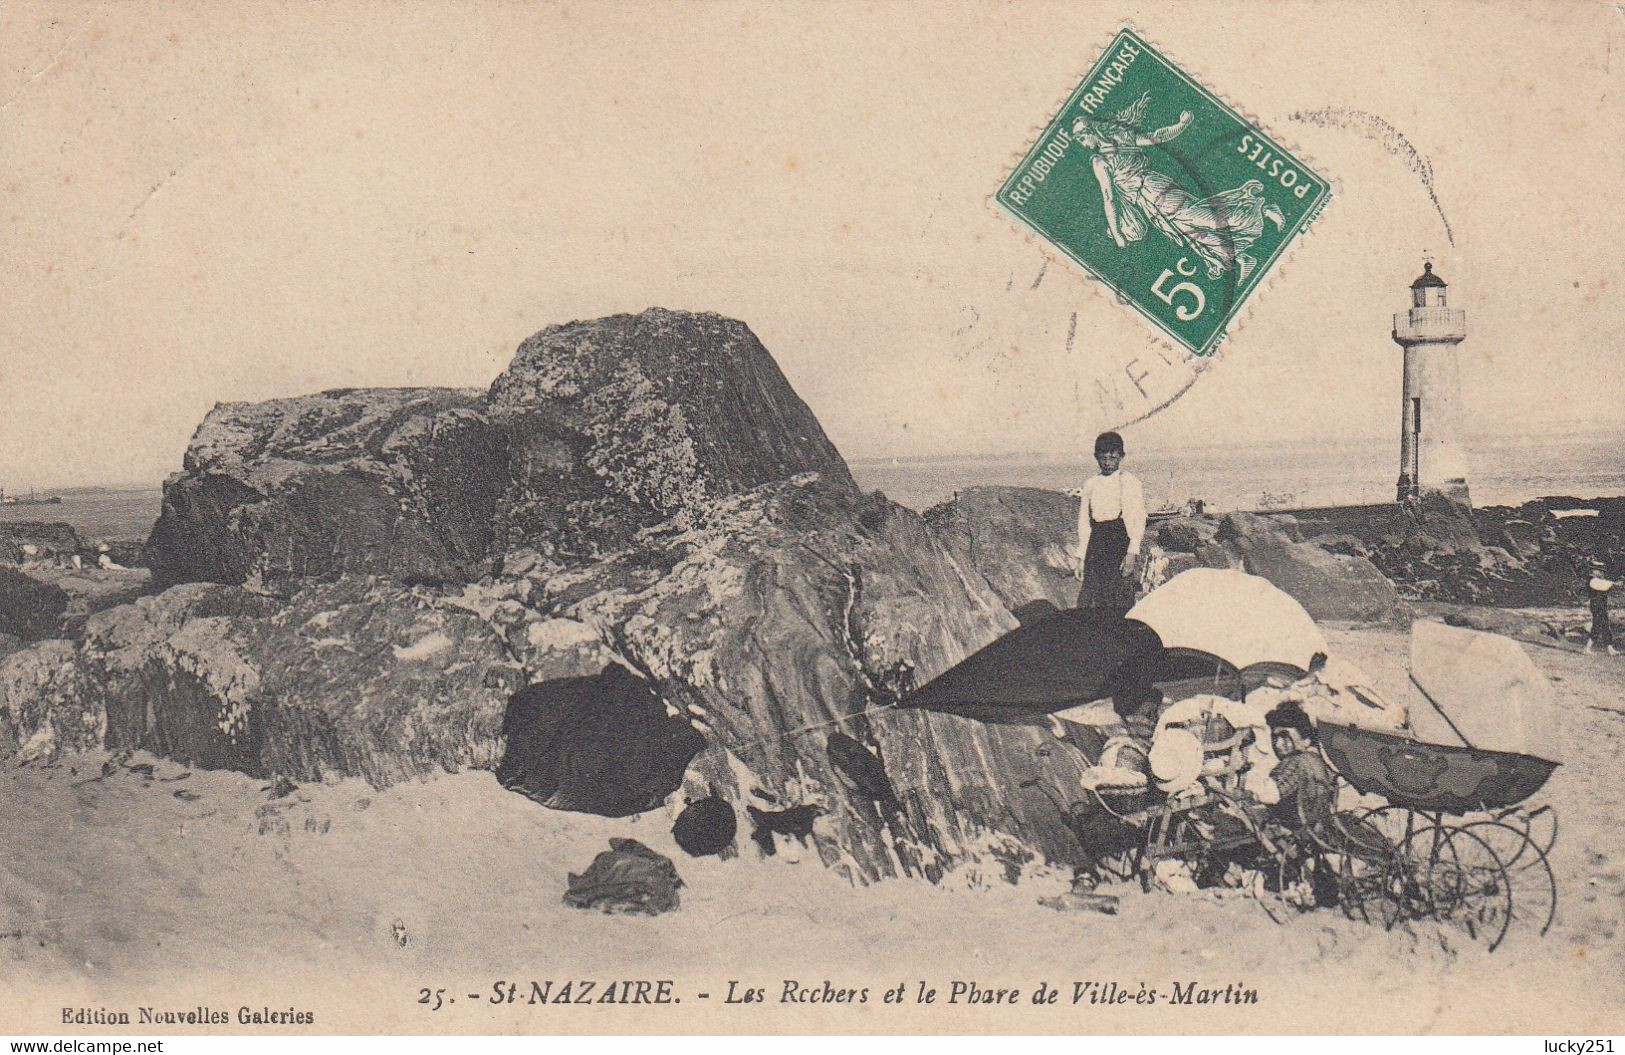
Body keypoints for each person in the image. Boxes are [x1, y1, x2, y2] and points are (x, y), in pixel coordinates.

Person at [1071, 92, 1285, 281]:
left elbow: (1109, 198)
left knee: (1204, 219)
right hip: (1150, 199)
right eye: (1077, 138)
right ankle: (1242, 258)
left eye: (1082, 135)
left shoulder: (1102, 159)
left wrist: (1117, 233)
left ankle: (1263, 209)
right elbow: (1155, 138)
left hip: (1153, 191)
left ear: (1093, 130)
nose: (1081, 141)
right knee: (1192, 232)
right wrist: (1181, 125)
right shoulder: (1116, 141)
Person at [1074, 431, 1147, 615]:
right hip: (1096, 543)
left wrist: (1132, 553)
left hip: (1119, 542)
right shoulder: (1090, 484)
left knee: (1119, 598)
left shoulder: (1129, 482)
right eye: (1103, 457)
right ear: (1096, 457)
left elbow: (1136, 519)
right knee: (1092, 599)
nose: (1107, 462)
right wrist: (1081, 559)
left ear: (1121, 456)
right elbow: (1084, 522)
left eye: (1112, 457)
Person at [1585, 558, 1617, 656]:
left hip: (1601, 605)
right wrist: (1614, 583)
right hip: (1596, 606)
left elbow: (1606, 585)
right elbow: (1604, 585)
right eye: (1598, 570)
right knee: (1598, 625)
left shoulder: (1597, 580)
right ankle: (1587, 648)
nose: (1600, 572)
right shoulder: (1592, 580)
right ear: (1593, 570)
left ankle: (1610, 648)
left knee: (1605, 625)